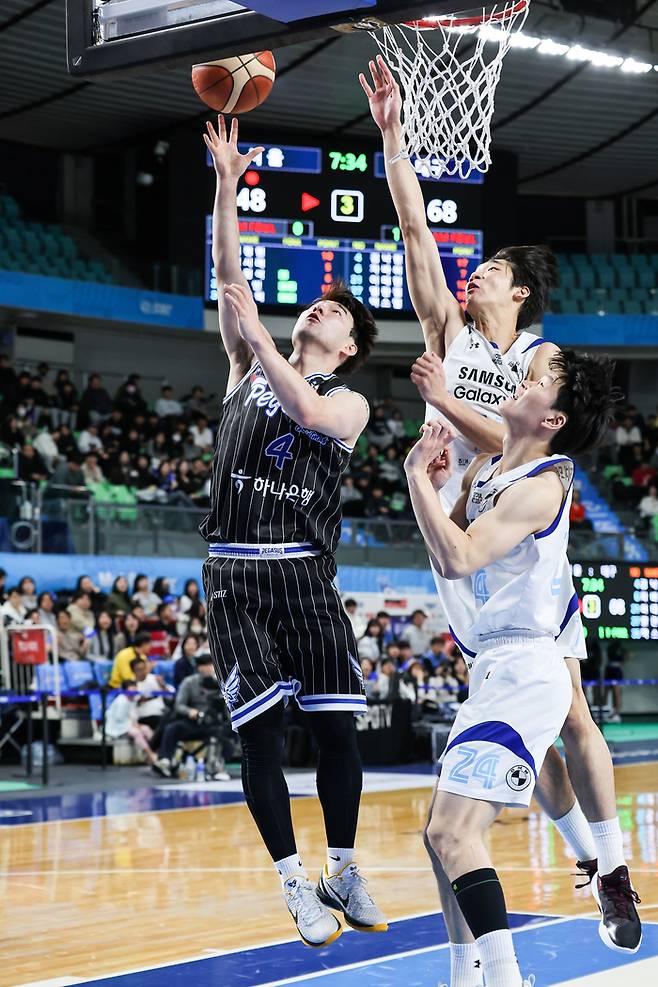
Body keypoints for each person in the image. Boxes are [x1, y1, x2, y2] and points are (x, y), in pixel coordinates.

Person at [363, 52, 636, 970]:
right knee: (519, 721)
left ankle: (610, 864)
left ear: (519, 293)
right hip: (462, 522)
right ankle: (518, 913)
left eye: (488, 269)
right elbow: (409, 224)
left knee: (570, 713)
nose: (471, 272)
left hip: (514, 536)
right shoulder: (448, 327)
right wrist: (395, 140)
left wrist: (447, 405)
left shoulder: (539, 362)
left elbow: (512, 434)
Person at [201, 114, 384, 948]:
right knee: (263, 734)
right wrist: (226, 183)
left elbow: (306, 408)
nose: (323, 307)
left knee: (339, 728)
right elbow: (231, 273)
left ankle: (342, 863)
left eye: (336, 313)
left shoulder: (347, 400)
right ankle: (294, 883)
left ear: (345, 348)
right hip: (235, 571)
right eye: (320, 302)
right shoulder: (245, 366)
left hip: (306, 572)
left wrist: (268, 341)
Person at [403, 351, 640, 986]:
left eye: (535, 383)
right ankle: (466, 973)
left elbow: (459, 560)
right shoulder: (486, 467)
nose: (519, 384)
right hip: (492, 667)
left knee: (456, 833)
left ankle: (509, 970)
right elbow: (444, 544)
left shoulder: (543, 483)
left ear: (554, 415)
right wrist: (438, 482)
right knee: (440, 837)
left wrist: (415, 480)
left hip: (530, 664)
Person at [154, 654, 227, 777]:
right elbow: (179, 705)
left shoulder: (220, 683)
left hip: (214, 724)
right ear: (198, 667)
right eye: (204, 665)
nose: (208, 668)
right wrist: (190, 712)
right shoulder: (189, 682)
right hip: (193, 722)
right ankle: (165, 761)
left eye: (210, 665)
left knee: (226, 731)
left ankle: (217, 765)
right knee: (172, 728)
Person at [104, 678, 159, 767]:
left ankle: (158, 753)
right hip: (117, 727)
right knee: (137, 733)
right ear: (125, 691)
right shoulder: (121, 701)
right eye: (131, 691)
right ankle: (150, 755)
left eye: (135, 690)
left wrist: (136, 724)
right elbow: (119, 718)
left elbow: (133, 715)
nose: (134, 693)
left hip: (129, 724)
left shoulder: (133, 699)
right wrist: (134, 725)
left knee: (147, 729)